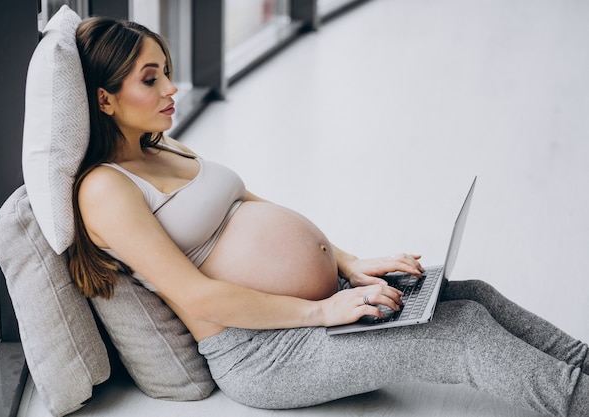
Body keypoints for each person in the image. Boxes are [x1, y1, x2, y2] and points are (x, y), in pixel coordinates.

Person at [68, 17, 589, 417]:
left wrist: (350, 263)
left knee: (471, 294)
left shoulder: (162, 147)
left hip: (315, 299)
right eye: (150, 79)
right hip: (265, 350)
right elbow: (197, 296)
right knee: (463, 335)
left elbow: (246, 201)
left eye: (168, 74)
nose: (171, 90)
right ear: (105, 98)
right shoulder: (106, 188)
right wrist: (326, 311)